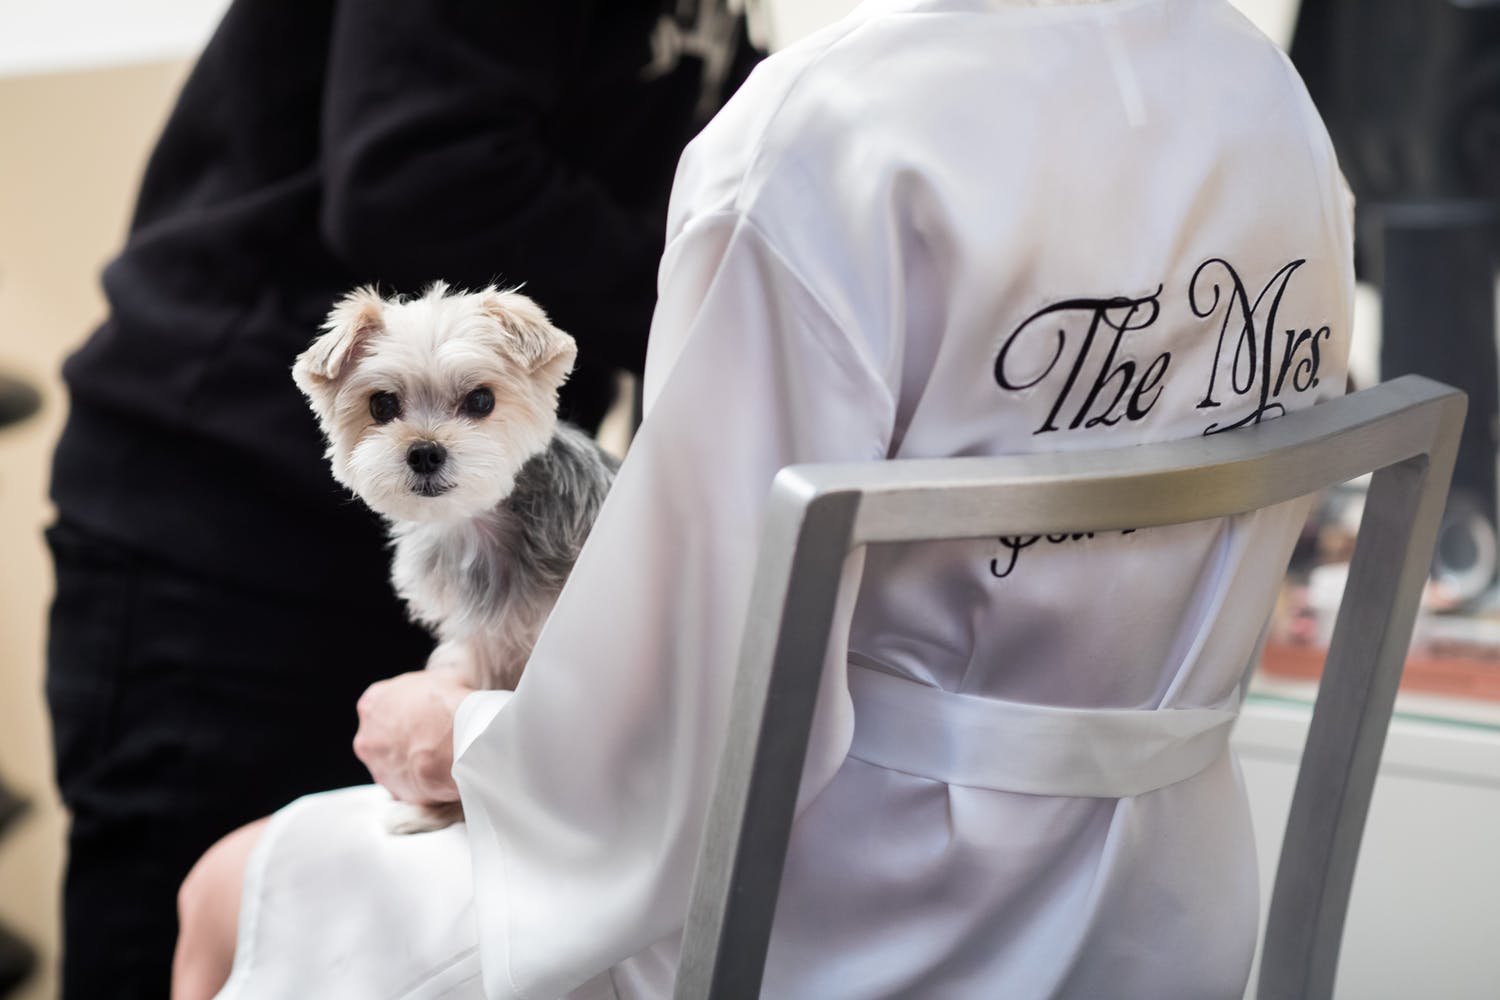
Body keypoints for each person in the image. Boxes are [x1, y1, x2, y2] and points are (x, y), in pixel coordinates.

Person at [179, 0, 1357, 996]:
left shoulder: (824, 136)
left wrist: (468, 735)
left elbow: (703, 712)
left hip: (861, 923)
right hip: (1175, 904)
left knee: (222, 888)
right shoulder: (1266, 96)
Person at [44, 2, 759, 998]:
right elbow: (414, 167)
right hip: (226, 507)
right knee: (187, 931)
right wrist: (736, 289)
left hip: (490, 546)